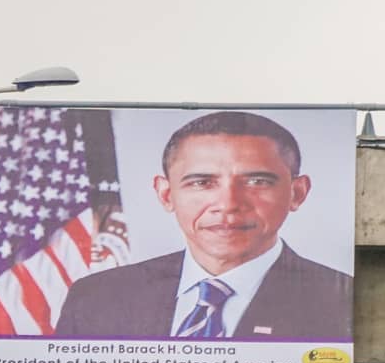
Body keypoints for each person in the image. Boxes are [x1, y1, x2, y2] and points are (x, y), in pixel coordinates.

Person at [53, 111, 352, 341]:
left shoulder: (344, 303)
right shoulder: (96, 299)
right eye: (202, 182)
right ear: (166, 194)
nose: (229, 203)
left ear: (297, 193)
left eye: (257, 181)